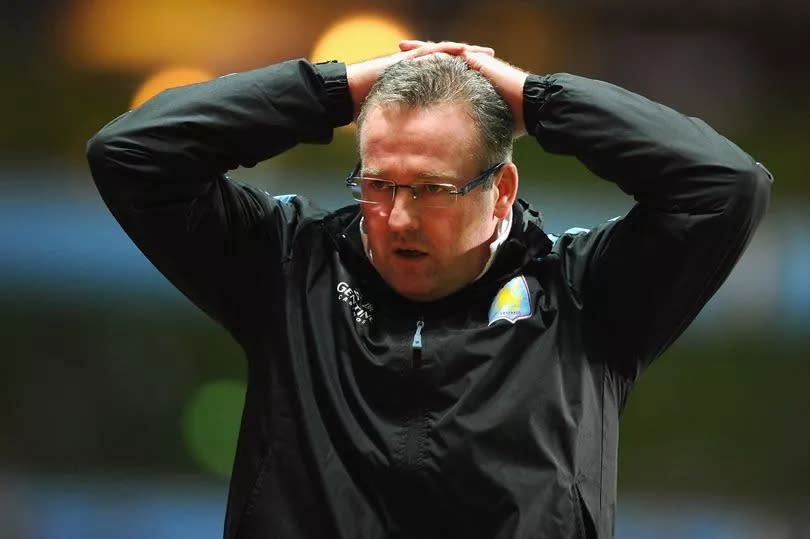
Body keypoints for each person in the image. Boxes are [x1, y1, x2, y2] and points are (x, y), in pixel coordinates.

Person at [86, 40, 772, 539]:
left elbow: (724, 186)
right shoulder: (287, 263)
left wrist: (538, 101)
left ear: (501, 190)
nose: (400, 217)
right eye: (379, 183)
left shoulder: (587, 295)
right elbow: (132, 154)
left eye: (433, 190)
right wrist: (339, 89)